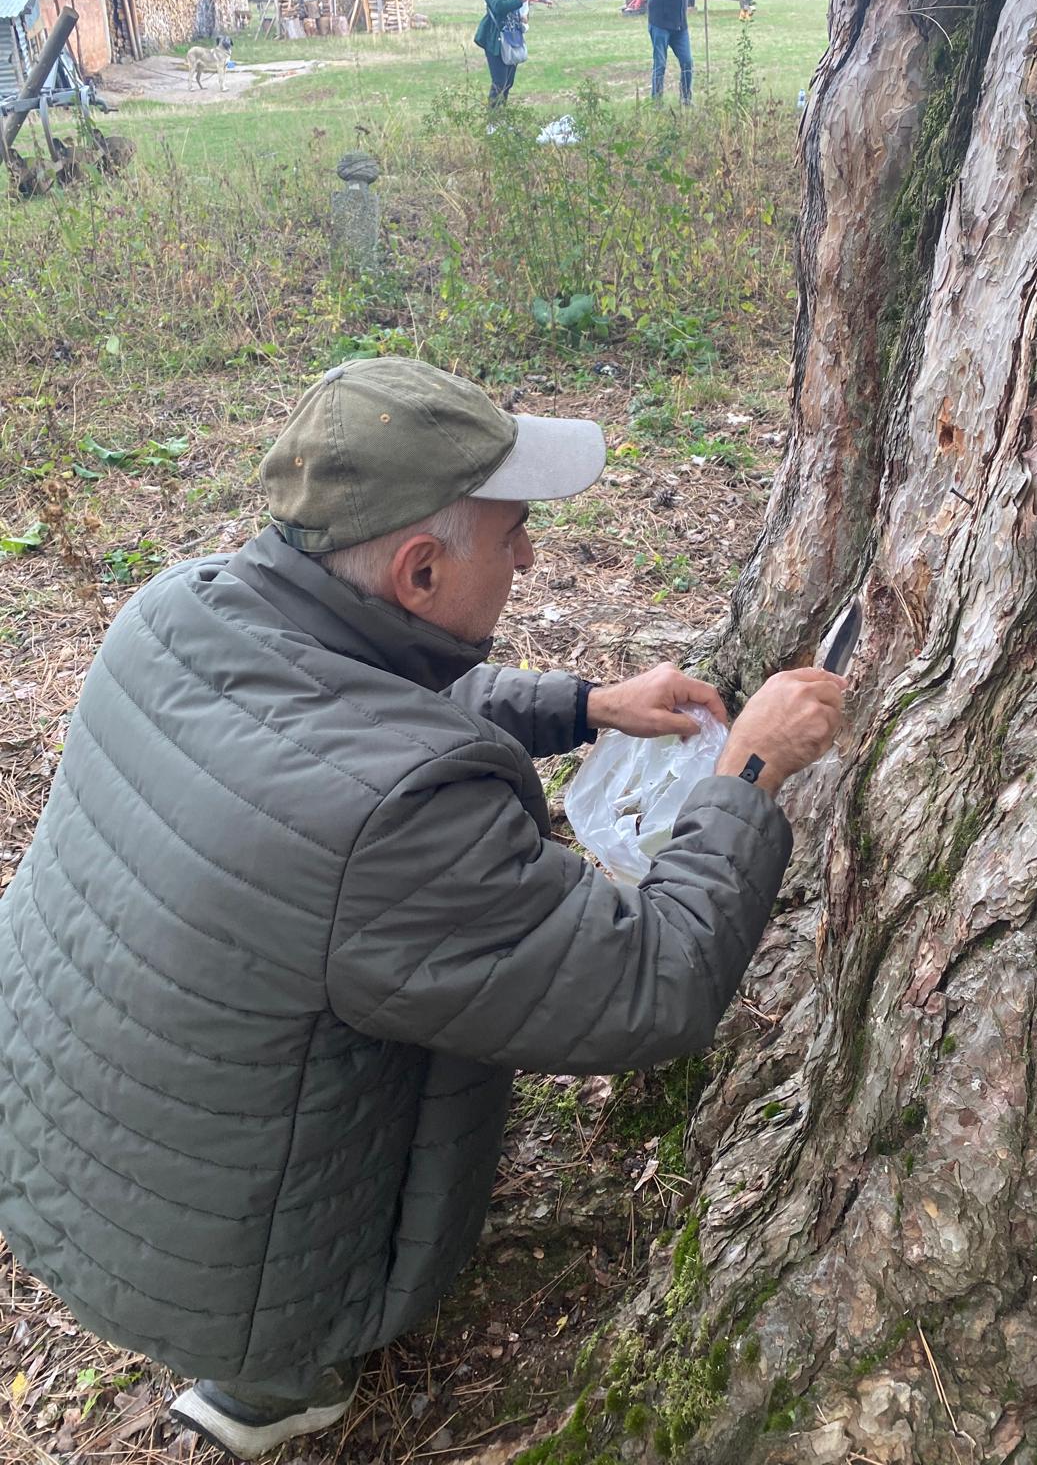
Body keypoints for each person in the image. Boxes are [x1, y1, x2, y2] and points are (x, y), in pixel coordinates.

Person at [0, 358, 846, 1461]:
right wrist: (746, 777)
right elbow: (655, 982)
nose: (533, 555)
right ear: (418, 568)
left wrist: (582, 705)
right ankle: (276, 1379)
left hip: (57, 1156)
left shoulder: (178, 609)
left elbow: (362, 693)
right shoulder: (393, 823)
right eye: (513, 534)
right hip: (213, 1280)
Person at [474, 0, 529, 106]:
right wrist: (519, 0)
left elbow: (514, 8)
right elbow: (498, 7)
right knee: (499, 84)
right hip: (496, 39)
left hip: (511, 37)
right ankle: (493, 125)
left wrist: (524, 12)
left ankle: (501, 121)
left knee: (507, 84)